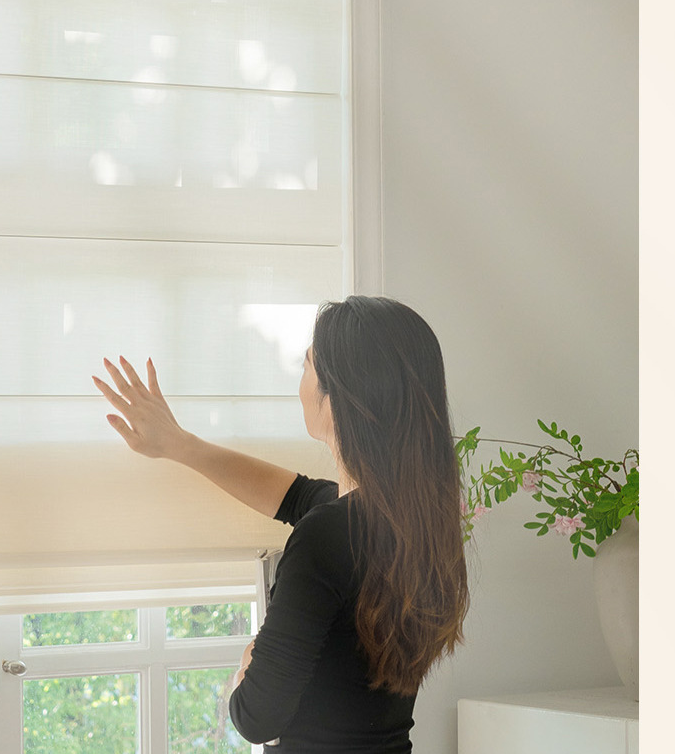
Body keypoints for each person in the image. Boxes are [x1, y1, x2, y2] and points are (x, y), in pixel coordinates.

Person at [92, 295, 469, 753]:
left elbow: (256, 716)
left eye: (307, 366)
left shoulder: (327, 536)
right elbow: (294, 495)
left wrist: (247, 663)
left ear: (337, 399)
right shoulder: (415, 519)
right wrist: (179, 444)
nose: (299, 383)